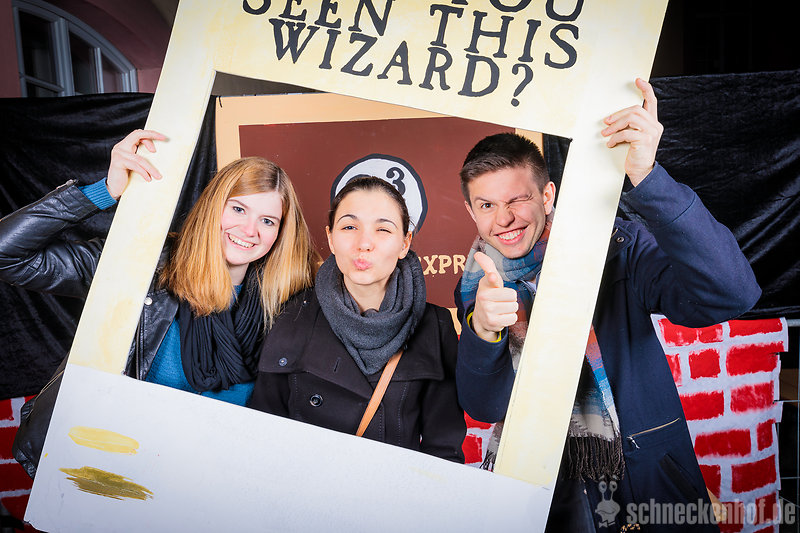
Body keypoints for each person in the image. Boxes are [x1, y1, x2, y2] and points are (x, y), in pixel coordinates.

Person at [454, 79, 761, 531]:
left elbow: (731, 293)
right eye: (486, 205)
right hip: (551, 501)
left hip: (650, 488)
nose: (504, 218)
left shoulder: (617, 245)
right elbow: (483, 406)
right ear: (470, 211)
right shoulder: (478, 287)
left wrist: (648, 176)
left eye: (518, 199)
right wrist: (483, 331)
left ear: (547, 195)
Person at [1, 130, 318, 475]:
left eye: (267, 221)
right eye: (238, 209)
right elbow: (7, 255)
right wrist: (103, 191)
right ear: (214, 207)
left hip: (211, 477)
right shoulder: (142, 263)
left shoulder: (287, 303)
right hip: (108, 467)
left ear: (280, 232)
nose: (250, 230)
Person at [250, 176, 466, 462]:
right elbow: (263, 436)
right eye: (349, 227)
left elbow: (444, 453)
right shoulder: (293, 313)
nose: (364, 243)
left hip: (392, 488)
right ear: (330, 238)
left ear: (405, 243)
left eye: (383, 229)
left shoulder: (435, 326)